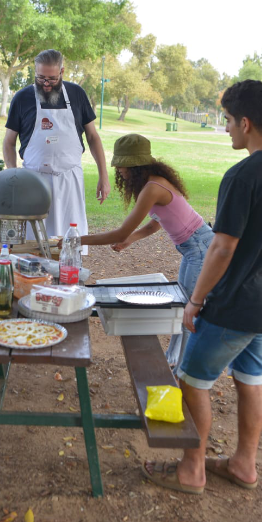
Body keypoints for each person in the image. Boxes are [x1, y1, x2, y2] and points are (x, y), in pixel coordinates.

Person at [142, 80, 262, 494]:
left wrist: (195, 301)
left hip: (235, 301)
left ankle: (191, 470)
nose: (227, 128)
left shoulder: (243, 173)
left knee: (192, 381)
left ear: (246, 122)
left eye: (230, 121)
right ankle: (242, 465)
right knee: (250, 379)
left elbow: (222, 246)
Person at [73, 134, 214, 366]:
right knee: (183, 307)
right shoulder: (152, 184)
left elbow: (119, 233)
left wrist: (78, 240)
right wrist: (131, 240)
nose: (118, 170)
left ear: (135, 166)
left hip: (199, 248)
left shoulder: (153, 187)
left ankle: (185, 369)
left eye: (122, 166)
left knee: (189, 310)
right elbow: (156, 222)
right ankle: (174, 360)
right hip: (193, 248)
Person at [3, 49, 110, 248]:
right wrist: (13, 174)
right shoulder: (22, 97)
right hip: (34, 180)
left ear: (62, 71)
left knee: (70, 241)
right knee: (33, 243)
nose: (45, 84)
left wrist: (103, 176)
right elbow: (9, 142)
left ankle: (70, 276)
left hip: (70, 180)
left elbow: (93, 137)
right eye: (40, 77)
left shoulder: (77, 94)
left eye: (52, 79)